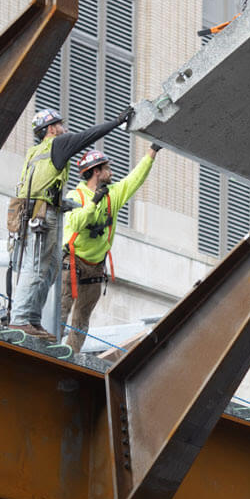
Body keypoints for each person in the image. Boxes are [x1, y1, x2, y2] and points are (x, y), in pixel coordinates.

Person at [6, 106, 132, 341]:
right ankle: (21, 319)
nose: (65, 129)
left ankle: (33, 319)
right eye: (60, 125)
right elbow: (87, 136)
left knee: (51, 268)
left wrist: (65, 204)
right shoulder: (57, 144)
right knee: (36, 268)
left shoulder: (35, 152)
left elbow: (41, 186)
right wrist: (116, 122)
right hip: (41, 216)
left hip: (42, 212)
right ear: (51, 129)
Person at [59, 142, 161, 350]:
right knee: (61, 310)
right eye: (106, 168)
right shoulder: (74, 197)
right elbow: (77, 223)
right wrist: (93, 203)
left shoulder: (112, 195)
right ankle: (49, 346)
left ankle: (69, 354)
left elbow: (135, 179)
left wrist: (152, 152)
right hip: (72, 261)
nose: (111, 172)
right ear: (96, 172)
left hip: (95, 266)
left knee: (82, 318)